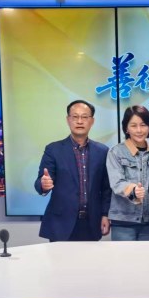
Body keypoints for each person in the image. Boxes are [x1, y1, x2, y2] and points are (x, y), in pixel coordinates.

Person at [34, 100, 111, 242]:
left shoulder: (102, 151)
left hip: (91, 223)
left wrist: (105, 214)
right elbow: (40, 182)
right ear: (68, 120)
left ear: (92, 121)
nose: (79, 121)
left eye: (84, 117)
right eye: (75, 117)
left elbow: (106, 188)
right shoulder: (53, 150)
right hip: (61, 223)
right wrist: (44, 185)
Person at [106, 105, 149, 241]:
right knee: (125, 256)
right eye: (134, 125)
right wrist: (133, 190)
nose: (139, 130)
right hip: (123, 221)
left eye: (143, 125)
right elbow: (116, 183)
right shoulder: (116, 152)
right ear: (126, 128)